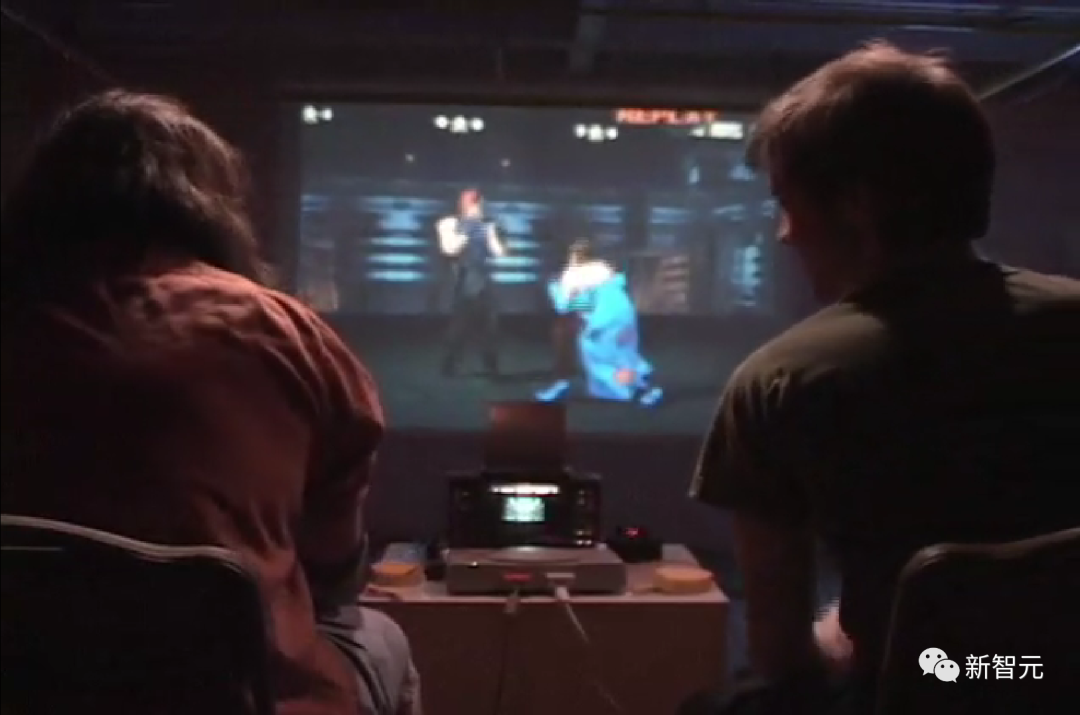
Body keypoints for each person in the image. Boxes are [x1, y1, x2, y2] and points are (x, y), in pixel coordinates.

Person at [687, 42, 1079, 714]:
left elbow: (783, 657)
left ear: (856, 205)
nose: (784, 234)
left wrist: (842, 636)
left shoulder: (778, 382)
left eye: (787, 203)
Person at [0, 91, 421, 715]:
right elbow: (334, 569)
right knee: (380, 638)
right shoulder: (283, 333)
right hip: (242, 696)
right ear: (207, 206)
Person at [535, 239, 663, 406]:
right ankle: (643, 388)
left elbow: (568, 306)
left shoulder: (571, 275)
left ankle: (641, 389)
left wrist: (557, 290)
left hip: (605, 321)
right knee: (623, 357)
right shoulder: (603, 268)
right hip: (625, 316)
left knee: (603, 359)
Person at [435, 189, 507, 377]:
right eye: (479, 204)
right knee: (459, 326)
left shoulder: (486, 226)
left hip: (482, 279)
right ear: (469, 205)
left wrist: (495, 234)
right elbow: (449, 249)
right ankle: (449, 364)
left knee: (490, 325)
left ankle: (491, 366)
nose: (482, 208)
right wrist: (468, 231)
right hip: (463, 278)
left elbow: (498, 252)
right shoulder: (449, 223)